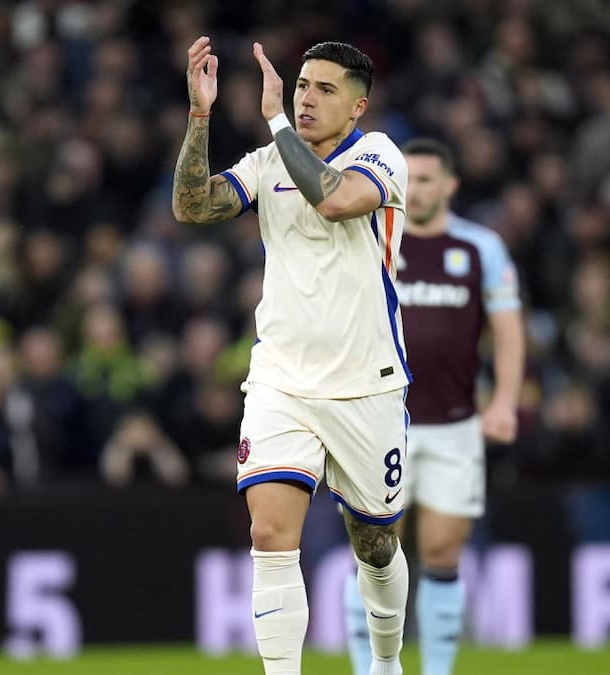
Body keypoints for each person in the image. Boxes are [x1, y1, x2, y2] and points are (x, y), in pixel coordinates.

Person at [172, 37, 412, 675]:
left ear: (358, 107)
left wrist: (276, 122)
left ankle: (385, 663)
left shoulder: (381, 158)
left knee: (377, 544)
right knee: (271, 538)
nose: (306, 98)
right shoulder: (266, 162)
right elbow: (192, 205)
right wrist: (200, 118)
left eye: (324, 89)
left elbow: (334, 199)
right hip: (281, 382)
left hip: (368, 384)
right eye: (302, 85)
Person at [345, 138, 525, 675]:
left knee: (443, 552)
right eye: (409, 177)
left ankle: (437, 670)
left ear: (449, 186)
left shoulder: (479, 247)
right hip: (376, 423)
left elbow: (508, 329)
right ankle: (370, 668)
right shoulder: (372, 234)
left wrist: (506, 403)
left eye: (427, 179)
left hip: (453, 424)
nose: (416, 188)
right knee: (376, 555)